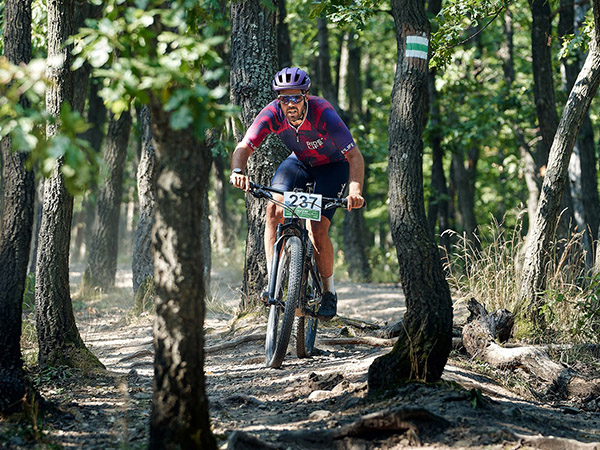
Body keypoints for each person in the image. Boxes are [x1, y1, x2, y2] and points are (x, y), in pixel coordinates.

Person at [230, 67, 365, 321]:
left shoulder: (323, 113)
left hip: (333, 167)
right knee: (273, 209)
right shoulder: (272, 113)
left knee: (317, 228)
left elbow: (354, 156)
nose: (290, 104)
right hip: (300, 163)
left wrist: (355, 191)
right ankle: (274, 281)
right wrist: (238, 170)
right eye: (284, 98)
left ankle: (328, 292)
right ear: (277, 99)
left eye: (295, 98)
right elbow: (244, 147)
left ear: (306, 96)